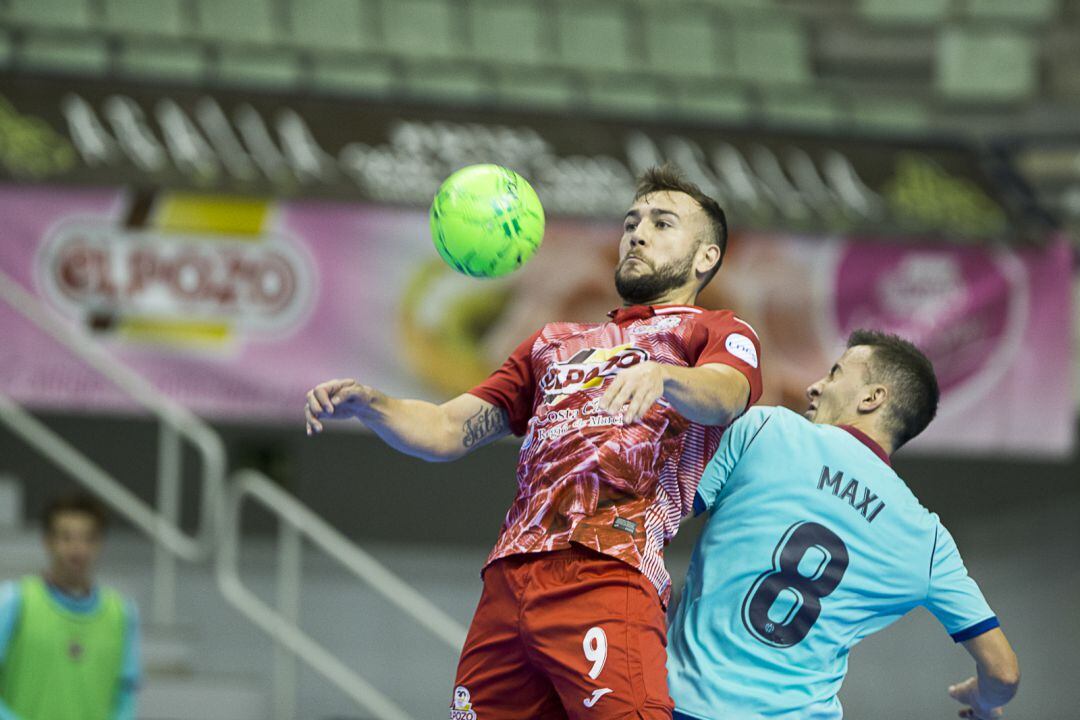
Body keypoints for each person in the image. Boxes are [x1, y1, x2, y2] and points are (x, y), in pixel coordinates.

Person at [305, 165, 763, 719]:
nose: (637, 234)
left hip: (607, 570)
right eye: (631, 221)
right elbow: (449, 429)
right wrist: (371, 405)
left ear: (706, 256)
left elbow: (728, 392)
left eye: (662, 223)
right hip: (508, 581)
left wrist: (664, 377)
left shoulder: (713, 331)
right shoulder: (553, 343)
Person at [667, 330, 1019, 720]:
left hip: (682, 704)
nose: (814, 387)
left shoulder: (764, 429)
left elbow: (654, 523)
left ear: (872, 398)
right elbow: (1004, 672)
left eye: (834, 374)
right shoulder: (927, 539)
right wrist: (984, 700)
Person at [0, 493, 140, 720]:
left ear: (100, 543)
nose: (78, 549)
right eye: (66, 538)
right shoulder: (14, 601)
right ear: (48, 541)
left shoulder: (121, 613)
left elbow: (124, 699)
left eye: (88, 538)